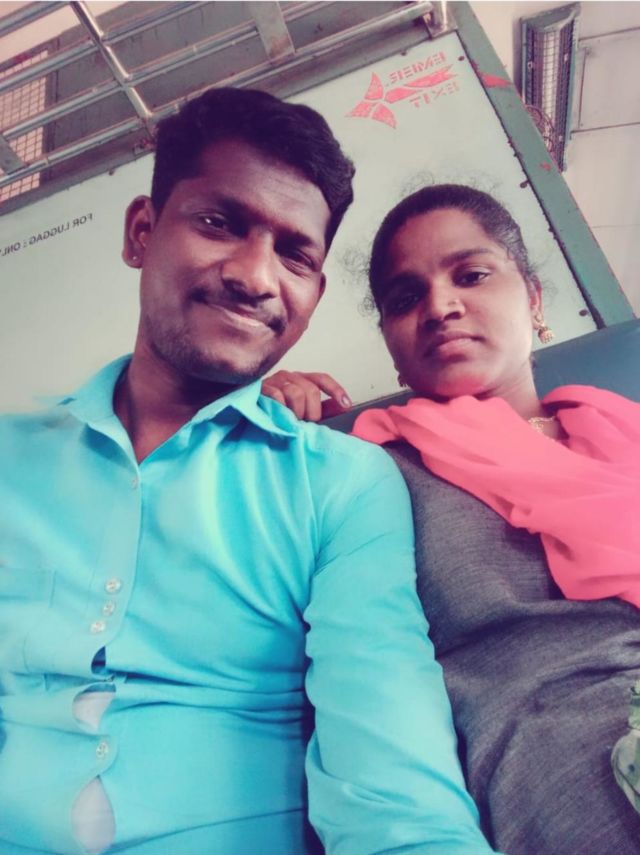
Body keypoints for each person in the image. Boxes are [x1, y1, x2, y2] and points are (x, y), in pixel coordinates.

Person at [0, 95, 498, 855]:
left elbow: (391, 767)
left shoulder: (341, 484)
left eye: (295, 255)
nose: (255, 276)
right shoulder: (11, 459)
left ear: (314, 295)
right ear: (141, 233)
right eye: (218, 223)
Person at [262, 183, 640, 855]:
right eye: (406, 297)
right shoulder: (368, 470)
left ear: (533, 296)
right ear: (391, 341)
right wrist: (250, 417)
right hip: (578, 755)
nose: (439, 306)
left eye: (471, 275)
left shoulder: (625, 430)